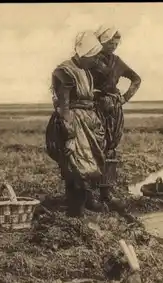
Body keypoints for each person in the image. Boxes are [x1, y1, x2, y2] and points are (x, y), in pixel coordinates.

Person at [45, 31, 107, 218]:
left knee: (88, 168)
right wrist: (69, 133)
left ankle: (83, 203)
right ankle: (75, 213)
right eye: (94, 56)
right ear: (85, 53)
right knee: (76, 168)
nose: (96, 60)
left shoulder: (85, 70)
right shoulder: (65, 72)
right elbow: (64, 105)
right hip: (73, 123)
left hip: (87, 124)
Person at [91, 26, 142, 205]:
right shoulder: (89, 60)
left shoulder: (117, 62)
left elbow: (136, 79)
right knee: (92, 148)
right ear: (101, 41)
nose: (114, 45)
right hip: (93, 109)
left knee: (110, 148)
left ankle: (106, 192)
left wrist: (125, 98)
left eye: (116, 42)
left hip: (113, 111)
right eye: (110, 41)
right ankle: (89, 195)